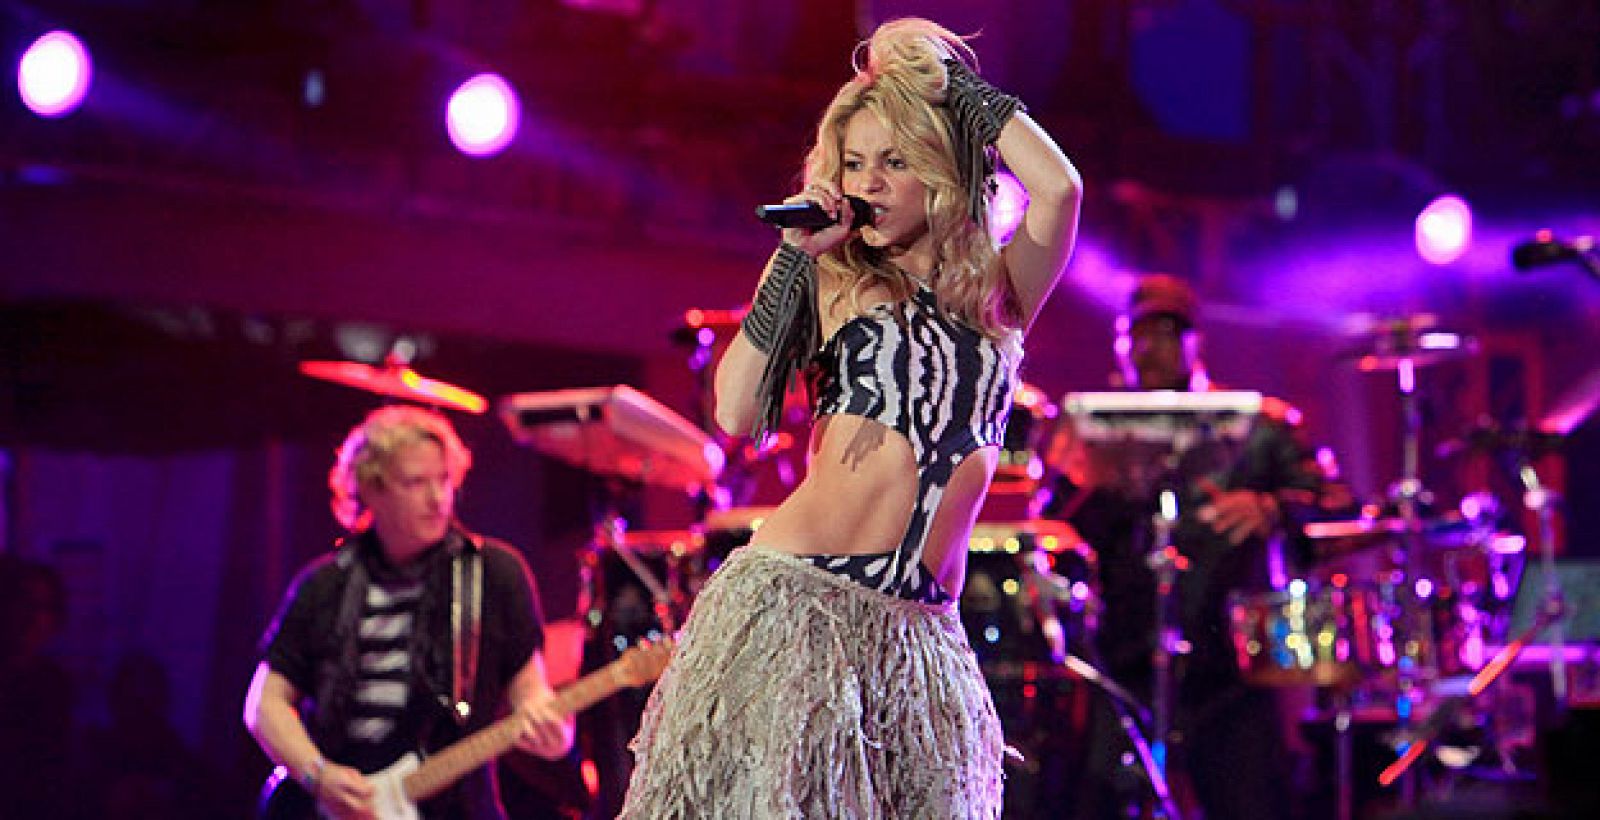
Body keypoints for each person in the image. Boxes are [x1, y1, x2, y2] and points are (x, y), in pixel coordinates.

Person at [621, 17, 1081, 818]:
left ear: (943, 169)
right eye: (855, 163)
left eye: (894, 161)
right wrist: (792, 257)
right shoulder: (833, 278)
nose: (868, 183)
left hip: (924, 639)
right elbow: (733, 408)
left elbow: (1061, 187)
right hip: (801, 606)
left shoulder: (1000, 295)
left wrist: (949, 89)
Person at [1042, 273, 1345, 819]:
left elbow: (1332, 503)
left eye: (1164, 332)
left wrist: (1270, 508)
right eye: (1137, 334)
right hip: (1123, 660)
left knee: (1249, 801)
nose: (1148, 347)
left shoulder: (1259, 427)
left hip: (1228, 669)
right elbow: (1046, 525)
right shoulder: (1093, 436)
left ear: (1193, 341)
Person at [245, 405, 575, 820]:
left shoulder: (493, 572)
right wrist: (319, 776)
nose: (438, 499)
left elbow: (531, 691)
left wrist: (551, 730)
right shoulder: (324, 584)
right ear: (371, 489)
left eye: (444, 480)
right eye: (416, 483)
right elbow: (264, 703)